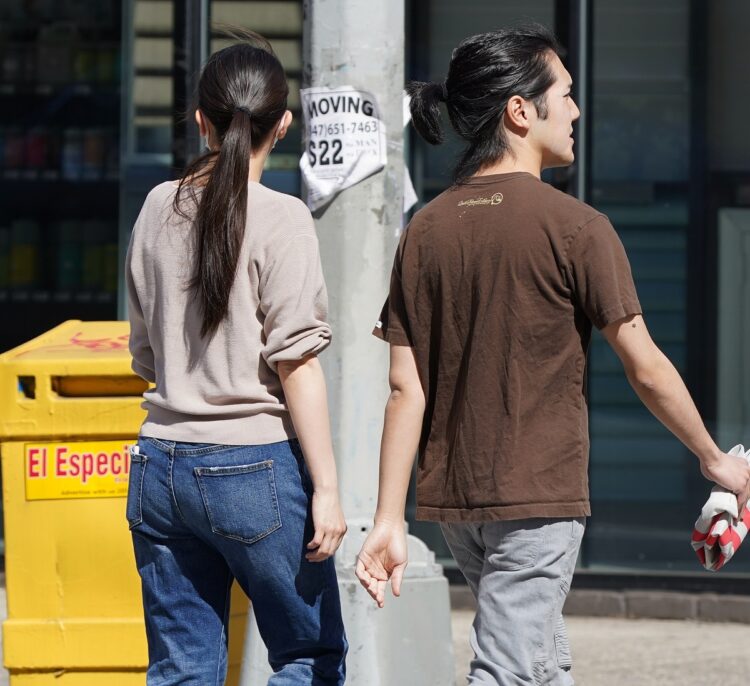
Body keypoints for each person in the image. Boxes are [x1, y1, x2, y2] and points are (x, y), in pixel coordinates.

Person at [355, 24, 750, 685]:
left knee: (540, 661)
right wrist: (715, 460)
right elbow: (644, 365)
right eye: (564, 93)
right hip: (537, 498)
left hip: (458, 504)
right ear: (519, 110)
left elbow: (406, 390)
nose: (574, 109)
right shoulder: (576, 228)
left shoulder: (425, 229)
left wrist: (391, 518)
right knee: (512, 668)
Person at [125, 34, 347, 685]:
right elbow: (297, 364)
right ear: (283, 125)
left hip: (159, 464)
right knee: (308, 657)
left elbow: (144, 356)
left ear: (200, 119)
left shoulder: (155, 206)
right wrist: (328, 488)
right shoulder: (283, 217)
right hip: (254, 464)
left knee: (182, 668)